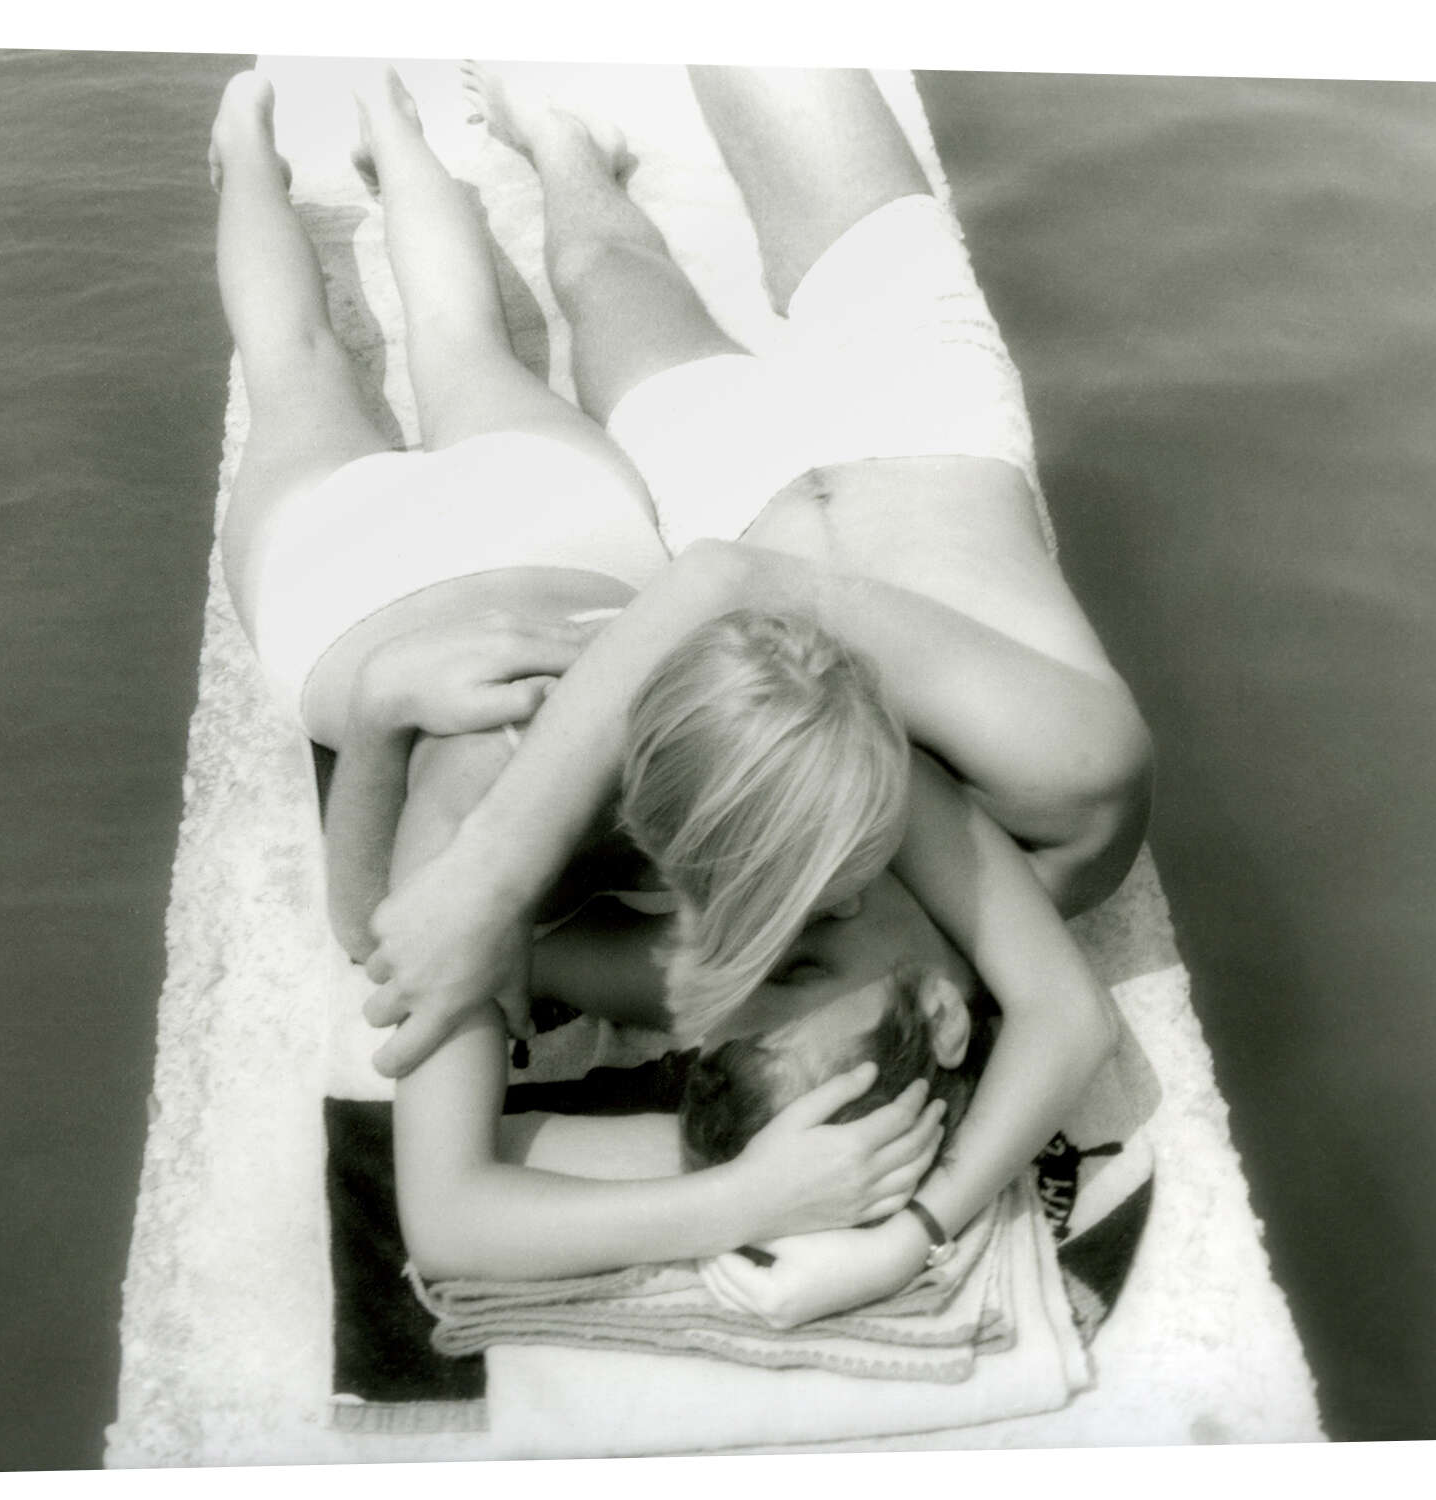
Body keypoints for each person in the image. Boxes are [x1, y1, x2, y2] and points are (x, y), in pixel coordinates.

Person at [363, 66, 1147, 1313]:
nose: (791, 919)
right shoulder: (1057, 775)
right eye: (812, 943)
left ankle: (555, 140)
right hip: (918, 409)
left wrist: (443, 840)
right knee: (773, 57)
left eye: (755, 958)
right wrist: (910, 1235)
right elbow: (728, 588)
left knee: (597, 270)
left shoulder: (723, 930)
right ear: (948, 1007)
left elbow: (434, 1050)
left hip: (732, 488)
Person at [207, 67, 943, 1284]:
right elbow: (447, 1215)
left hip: (544, 541)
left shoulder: (762, 755)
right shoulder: (477, 835)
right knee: (329, 357)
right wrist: (737, 1198)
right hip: (366, 588)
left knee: (346, 352)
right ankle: (318, 141)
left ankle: (305, 137)